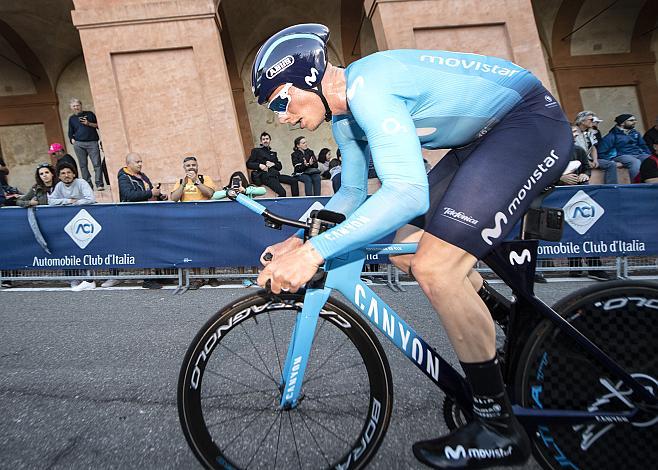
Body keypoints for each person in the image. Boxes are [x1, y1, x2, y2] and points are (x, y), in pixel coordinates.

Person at [251, 24, 573, 469]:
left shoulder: (370, 89)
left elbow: (406, 193)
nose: (281, 117)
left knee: (436, 268)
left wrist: (314, 255)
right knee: (409, 248)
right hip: (483, 141)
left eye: (280, 102)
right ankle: (509, 329)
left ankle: (498, 428)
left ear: (307, 78)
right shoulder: (346, 117)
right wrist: (300, 235)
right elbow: (351, 194)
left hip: (528, 125)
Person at [109, 152, 166, 289]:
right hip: (134, 218)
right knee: (144, 247)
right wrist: (151, 193)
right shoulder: (123, 177)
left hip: (147, 215)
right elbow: (129, 195)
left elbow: (149, 192)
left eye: (141, 161)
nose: (140, 164)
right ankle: (147, 279)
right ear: (128, 164)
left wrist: (159, 196)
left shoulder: (142, 175)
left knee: (153, 245)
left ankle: (159, 275)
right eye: (137, 162)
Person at [49, 162, 97, 291]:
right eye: (63, 173)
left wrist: (77, 203)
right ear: (59, 176)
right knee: (69, 249)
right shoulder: (59, 186)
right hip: (68, 223)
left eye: (69, 172)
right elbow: (51, 201)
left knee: (86, 249)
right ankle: (74, 278)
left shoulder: (81, 183)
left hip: (85, 220)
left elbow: (90, 198)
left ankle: (89, 279)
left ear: (74, 174)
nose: (66, 175)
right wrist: (68, 201)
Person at [597, 114, 651, 181]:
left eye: (635, 120)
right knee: (635, 162)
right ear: (622, 123)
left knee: (651, 159)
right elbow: (601, 152)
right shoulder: (611, 136)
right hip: (621, 155)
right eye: (631, 120)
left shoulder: (635, 133)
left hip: (638, 154)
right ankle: (638, 183)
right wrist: (611, 161)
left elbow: (643, 146)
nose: (635, 122)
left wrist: (649, 155)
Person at [246, 132, 299, 196]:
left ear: (270, 140)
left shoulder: (273, 153)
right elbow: (249, 164)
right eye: (263, 139)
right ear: (261, 141)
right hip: (266, 176)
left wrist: (273, 164)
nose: (265, 141)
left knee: (294, 181)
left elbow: (279, 167)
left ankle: (295, 201)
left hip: (276, 175)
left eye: (267, 139)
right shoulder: (256, 151)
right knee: (282, 192)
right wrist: (259, 165)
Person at [68, 98, 104, 191]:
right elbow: (70, 132)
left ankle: (99, 184)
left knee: (97, 164)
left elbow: (99, 125)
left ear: (81, 105)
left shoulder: (90, 114)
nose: (76, 107)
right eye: (74, 106)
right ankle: (88, 185)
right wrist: (72, 139)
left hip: (92, 142)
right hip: (79, 144)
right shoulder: (72, 119)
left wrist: (88, 123)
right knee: (83, 165)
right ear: (71, 108)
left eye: (77, 105)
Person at [573, 111, 617, 184]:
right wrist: (587, 161)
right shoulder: (573, 132)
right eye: (591, 120)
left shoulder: (590, 133)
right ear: (582, 121)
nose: (593, 122)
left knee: (611, 164)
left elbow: (593, 148)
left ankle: (612, 186)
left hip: (589, 160)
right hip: (579, 161)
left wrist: (595, 160)